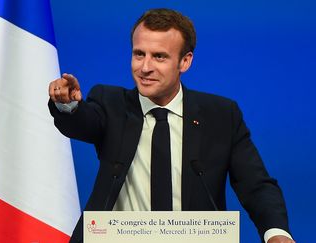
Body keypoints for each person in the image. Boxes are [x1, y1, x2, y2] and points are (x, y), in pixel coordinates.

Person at [48, 8, 294, 243]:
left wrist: (276, 233)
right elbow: (83, 123)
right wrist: (67, 105)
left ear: (185, 62)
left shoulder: (221, 115)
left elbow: (255, 185)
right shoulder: (110, 103)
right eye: (139, 54)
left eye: (159, 56)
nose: (145, 67)